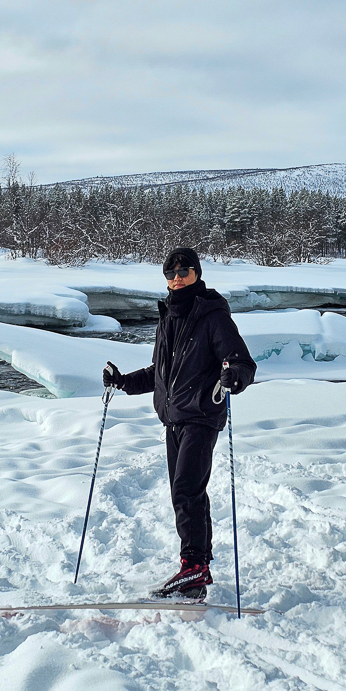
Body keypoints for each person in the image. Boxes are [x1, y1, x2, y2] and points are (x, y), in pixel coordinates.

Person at [102, 247, 256, 600]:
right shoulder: (168, 318)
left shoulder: (213, 315)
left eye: (184, 272)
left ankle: (193, 566)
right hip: (174, 420)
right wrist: (122, 381)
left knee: (186, 489)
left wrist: (235, 376)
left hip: (202, 415)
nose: (176, 279)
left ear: (197, 274)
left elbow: (241, 362)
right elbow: (159, 374)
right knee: (187, 493)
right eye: (170, 274)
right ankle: (197, 570)